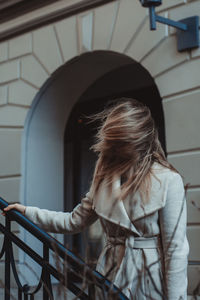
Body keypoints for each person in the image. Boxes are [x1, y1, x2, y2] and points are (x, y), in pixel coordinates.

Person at [3, 98, 189, 299]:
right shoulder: (105, 181)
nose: (118, 150)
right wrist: (28, 211)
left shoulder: (169, 181)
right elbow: (72, 221)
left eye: (123, 143)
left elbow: (175, 250)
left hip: (149, 280)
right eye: (115, 143)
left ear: (140, 140)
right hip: (109, 274)